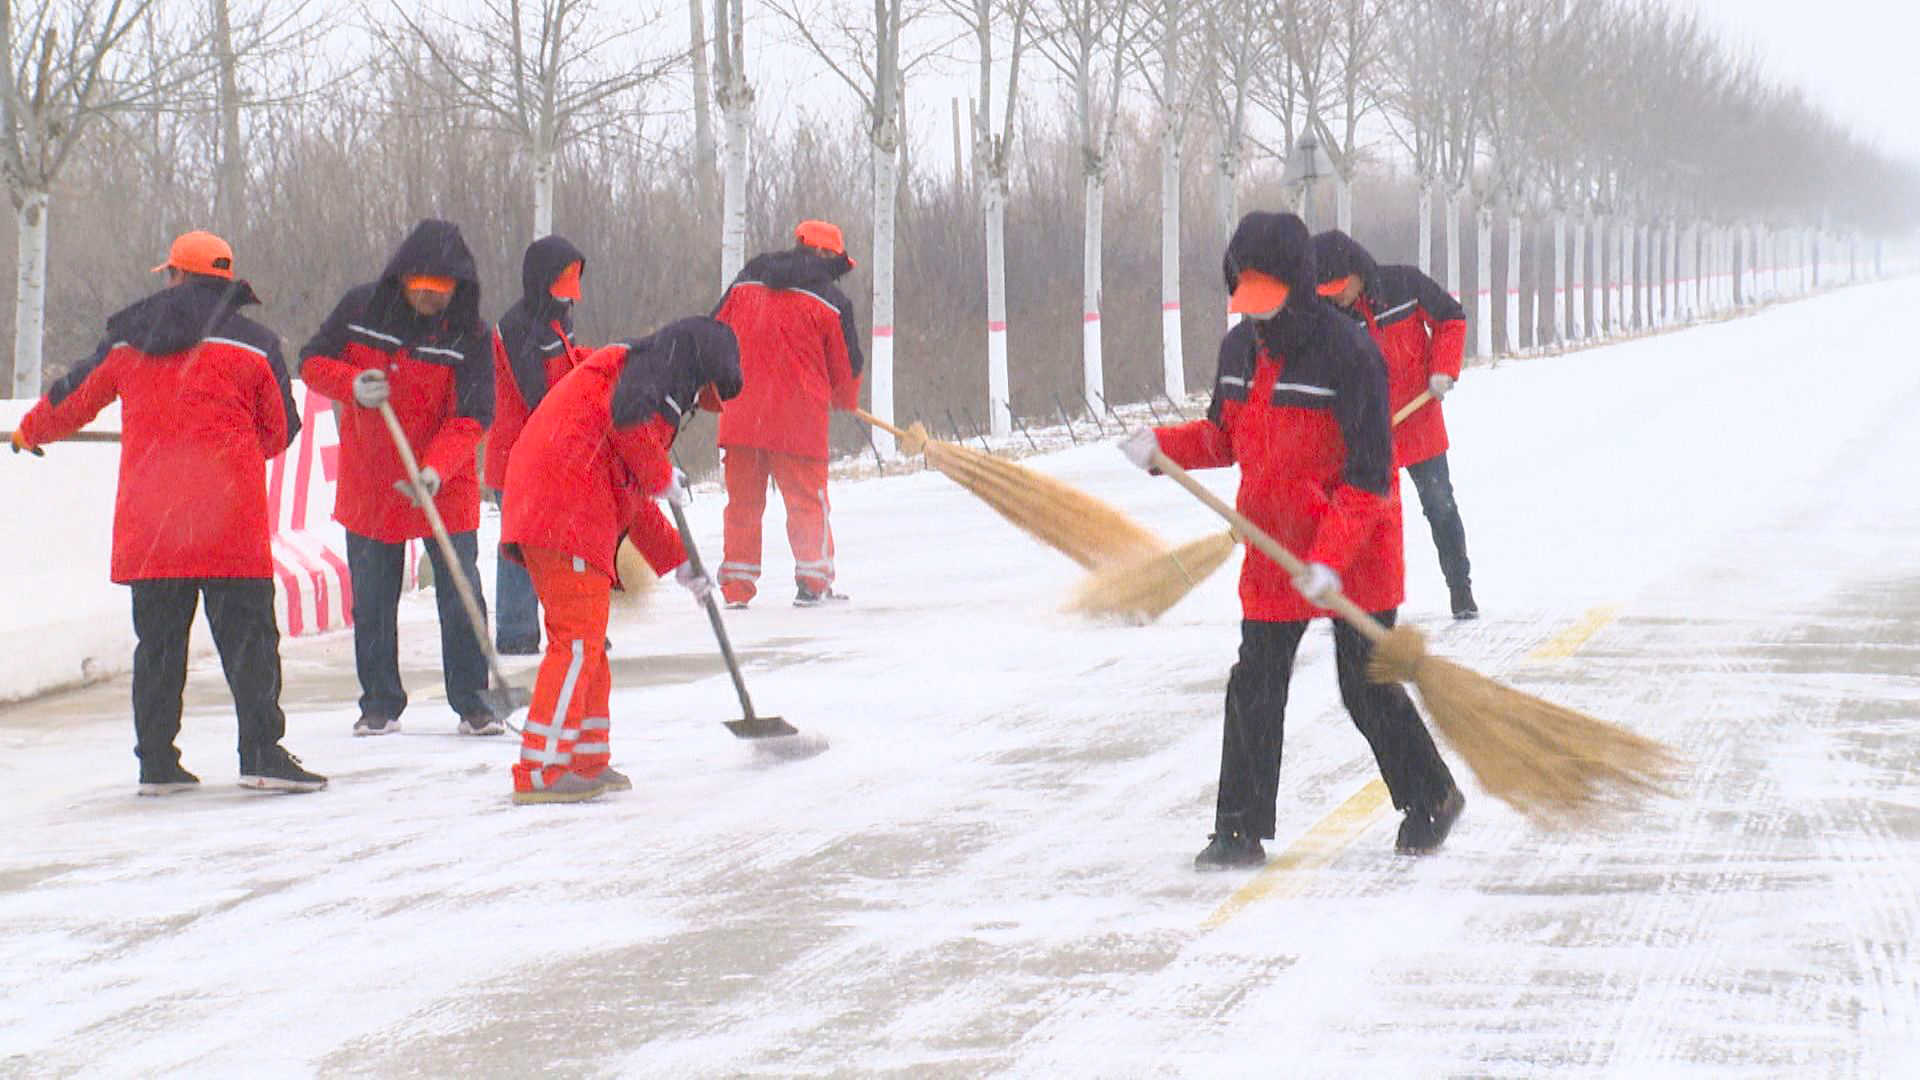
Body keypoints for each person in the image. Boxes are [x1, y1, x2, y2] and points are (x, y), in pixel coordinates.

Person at [1121, 211, 1463, 867]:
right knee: (1255, 682)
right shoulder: (1239, 352)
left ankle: (1432, 797)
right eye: (1244, 296)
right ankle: (1238, 830)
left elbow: (1369, 477)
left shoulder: (1350, 354)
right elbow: (1224, 437)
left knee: (1364, 683)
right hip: (1272, 545)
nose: (1256, 314)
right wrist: (1161, 447)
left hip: (1355, 547)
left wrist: (1331, 559)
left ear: (1299, 286)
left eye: (1266, 297)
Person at [10, 231, 326, 794]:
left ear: (176, 276)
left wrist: (31, 431)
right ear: (226, 282)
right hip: (229, 523)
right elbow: (281, 429)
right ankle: (260, 753)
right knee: (250, 643)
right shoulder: (255, 344)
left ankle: (157, 761)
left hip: (154, 526)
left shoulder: (132, 340)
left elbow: (73, 396)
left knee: (158, 648)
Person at [499, 317, 743, 804]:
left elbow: (631, 493)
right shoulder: (636, 388)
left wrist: (680, 563)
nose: (697, 405)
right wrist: (660, 474)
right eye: (701, 395)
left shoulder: (636, 384)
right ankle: (542, 768)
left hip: (565, 511)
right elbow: (636, 453)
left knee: (586, 643)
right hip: (563, 512)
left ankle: (587, 756)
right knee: (575, 644)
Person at [298, 219, 500, 737]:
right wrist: (350, 384)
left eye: (442, 291)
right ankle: (379, 702)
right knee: (372, 598)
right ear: (402, 279)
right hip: (371, 479)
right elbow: (312, 360)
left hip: (442, 480)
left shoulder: (471, 334)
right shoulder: (361, 310)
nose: (430, 300)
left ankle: (474, 700)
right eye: (421, 289)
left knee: (461, 593)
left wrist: (436, 469)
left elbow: (474, 415)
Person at [1310, 229, 1477, 619]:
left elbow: (1451, 319)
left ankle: (1460, 589)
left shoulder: (1405, 284)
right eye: (1327, 291)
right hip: (1366, 436)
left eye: (1339, 286)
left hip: (1417, 424)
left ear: (1356, 269)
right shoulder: (1328, 319)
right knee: (1359, 521)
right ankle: (1355, 605)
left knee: (1440, 506)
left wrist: (1443, 369)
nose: (1336, 296)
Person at [712, 219, 863, 608]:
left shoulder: (746, 283)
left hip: (741, 415)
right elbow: (847, 367)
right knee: (807, 504)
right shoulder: (832, 303)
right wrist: (845, 399)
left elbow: (713, 332)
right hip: (798, 424)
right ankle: (814, 584)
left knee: (742, 506)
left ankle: (736, 590)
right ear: (827, 255)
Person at [485, 235, 590, 655]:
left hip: (556, 450)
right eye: (563, 281)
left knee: (562, 544)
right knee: (520, 546)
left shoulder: (559, 317)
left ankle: (574, 625)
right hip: (519, 454)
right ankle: (515, 634)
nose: (568, 293)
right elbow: (537, 395)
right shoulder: (515, 327)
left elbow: (570, 366)